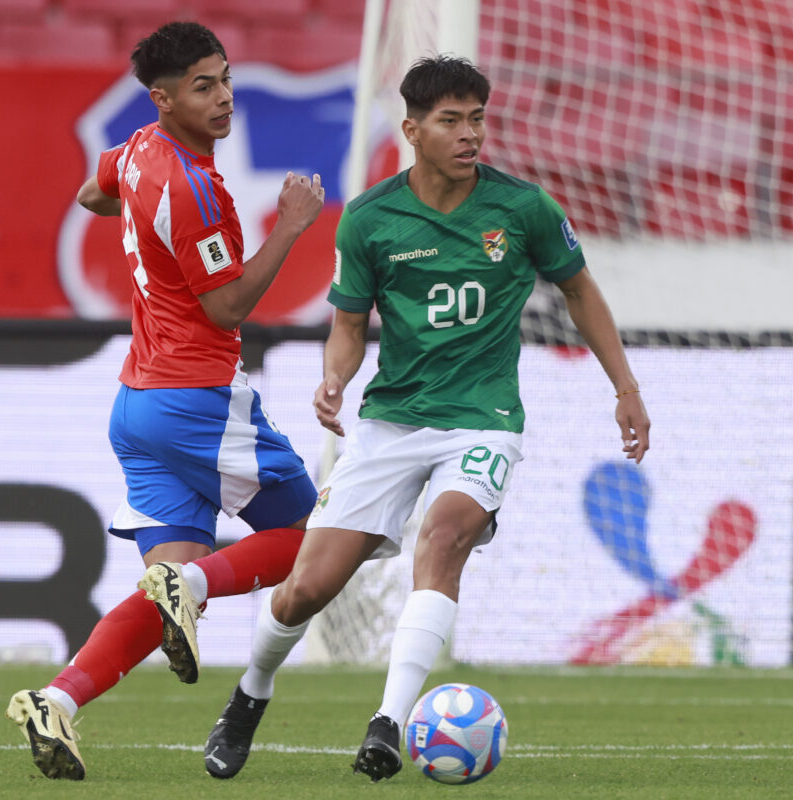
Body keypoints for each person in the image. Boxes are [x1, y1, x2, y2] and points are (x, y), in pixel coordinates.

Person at [201, 54, 650, 783]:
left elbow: (580, 292)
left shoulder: (524, 209)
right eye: (451, 121)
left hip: (484, 419)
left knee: (442, 541)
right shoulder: (372, 219)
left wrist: (624, 387)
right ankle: (250, 693)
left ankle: (388, 724)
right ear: (412, 129)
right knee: (305, 590)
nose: (470, 134)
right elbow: (349, 323)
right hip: (392, 423)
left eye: (477, 118)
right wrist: (334, 380)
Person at [4, 21, 325, 781]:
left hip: (137, 407)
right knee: (311, 538)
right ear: (163, 97)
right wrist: (291, 226)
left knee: (166, 597)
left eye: (224, 79)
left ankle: (57, 701)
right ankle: (197, 583)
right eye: (202, 87)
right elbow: (226, 306)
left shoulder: (138, 150)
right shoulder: (195, 187)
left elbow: (91, 192)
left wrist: (145, 224)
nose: (222, 99)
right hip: (196, 399)